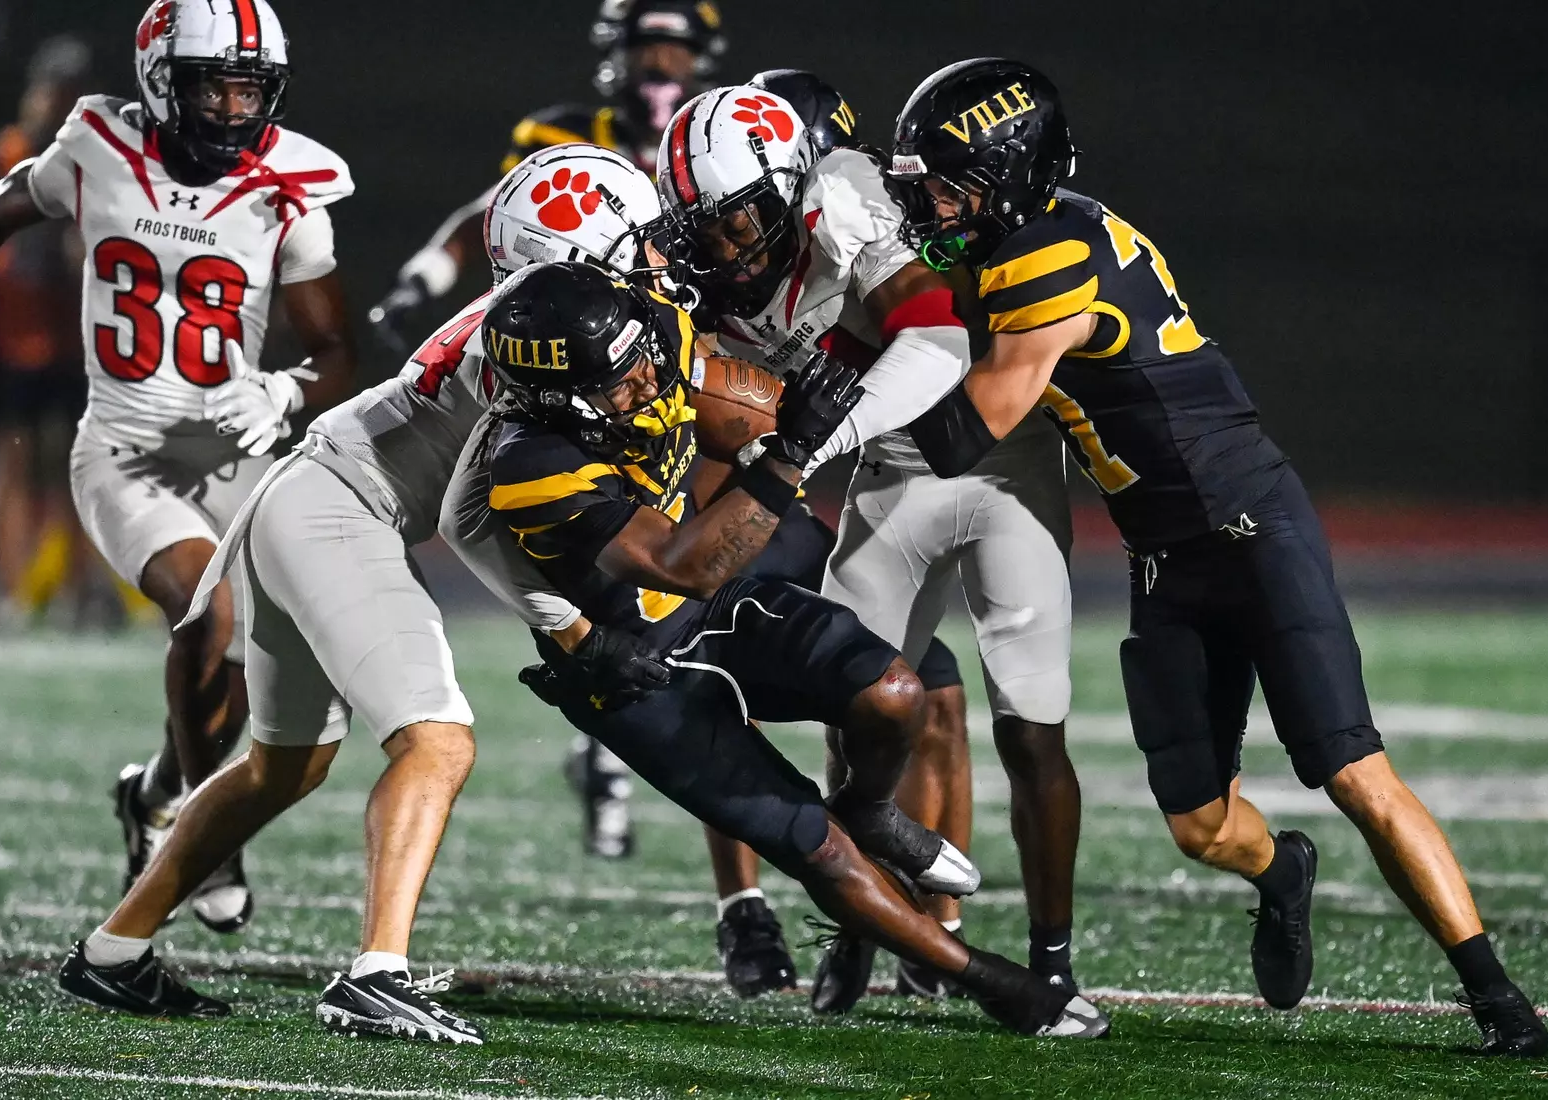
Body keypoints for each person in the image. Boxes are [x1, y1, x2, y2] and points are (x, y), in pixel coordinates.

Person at [889, 56, 1548, 1058]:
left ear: (1010, 173)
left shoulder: (1042, 254)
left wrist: (813, 421)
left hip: (1248, 524)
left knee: (1351, 767)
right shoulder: (1032, 230)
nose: (933, 201)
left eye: (951, 179)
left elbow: (972, 423)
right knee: (1198, 825)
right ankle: (1281, 872)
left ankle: (1496, 997)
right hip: (1166, 553)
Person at [484, 259, 1109, 1039]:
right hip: (635, 668)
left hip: (720, 607)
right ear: (559, 400)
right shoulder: (530, 466)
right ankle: (990, 983)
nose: (646, 381)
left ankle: (871, 809)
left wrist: (784, 418)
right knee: (818, 848)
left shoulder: (657, 341)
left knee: (894, 692)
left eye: (640, 356)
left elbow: (733, 417)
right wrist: (787, 455)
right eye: (617, 381)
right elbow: (685, 564)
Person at [655, 77, 1081, 1011]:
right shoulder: (682, 262)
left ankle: (934, 932)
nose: (727, 245)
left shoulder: (843, 198)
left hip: (930, 441)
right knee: (829, 685)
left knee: (941, 697)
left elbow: (931, 342)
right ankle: (796, 910)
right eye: (707, 228)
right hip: (792, 467)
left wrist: (805, 441)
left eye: (743, 219)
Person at [0, 0, 356, 932]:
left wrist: (286, 392)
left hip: (232, 452)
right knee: (207, 611)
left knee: (232, 676)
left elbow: (335, 348)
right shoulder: (97, 144)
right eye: (211, 86)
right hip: (125, 451)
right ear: (158, 79)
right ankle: (204, 831)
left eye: (248, 88)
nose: (233, 110)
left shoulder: (291, 184)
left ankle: (150, 794)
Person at [437, 142, 801, 997]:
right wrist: (568, 626)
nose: (664, 251)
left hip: (722, 467)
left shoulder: (664, 286)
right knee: (709, 692)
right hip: (646, 518)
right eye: (639, 241)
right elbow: (464, 519)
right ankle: (746, 899)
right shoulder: (547, 371)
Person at [367, 0, 724, 353]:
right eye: (643, 51)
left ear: (702, 60)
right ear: (614, 56)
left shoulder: (716, 142)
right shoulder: (562, 139)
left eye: (676, 53)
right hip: (571, 334)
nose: (660, 66)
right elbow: (488, 219)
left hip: (695, 331)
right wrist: (421, 282)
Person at [0, 37, 106, 627]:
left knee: (73, 463)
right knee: (14, 460)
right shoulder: (5, 153)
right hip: (12, 334)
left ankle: (75, 590)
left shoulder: (84, 158)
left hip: (68, 334)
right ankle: (10, 589)